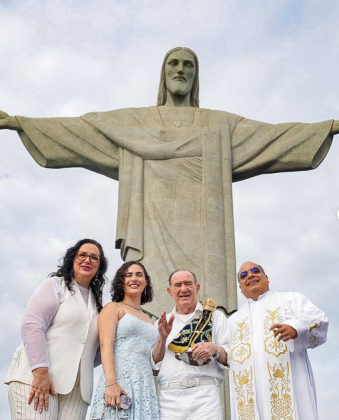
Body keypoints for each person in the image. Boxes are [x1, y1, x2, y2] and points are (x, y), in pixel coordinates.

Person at [1, 47, 339, 315]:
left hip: (205, 234)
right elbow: (83, 130)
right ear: (163, 74)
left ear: (196, 77)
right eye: (174, 64)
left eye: (188, 65)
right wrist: (21, 123)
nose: (181, 70)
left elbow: (274, 137)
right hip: (150, 229)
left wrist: (327, 128)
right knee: (149, 304)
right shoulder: (136, 123)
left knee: (207, 311)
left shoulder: (218, 126)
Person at [5, 238, 108, 420]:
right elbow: (32, 325)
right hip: (37, 377)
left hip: (77, 391)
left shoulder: (99, 306)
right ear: (72, 259)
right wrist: (41, 372)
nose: (87, 260)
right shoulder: (54, 285)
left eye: (94, 258)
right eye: (82, 255)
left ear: (100, 266)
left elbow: (95, 351)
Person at [227, 261, 328, 420]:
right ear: (240, 288)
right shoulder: (233, 321)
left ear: (266, 277)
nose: (250, 275)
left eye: (255, 271)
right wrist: (215, 351)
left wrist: (296, 328)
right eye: (244, 275)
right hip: (252, 400)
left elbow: (320, 320)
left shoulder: (291, 299)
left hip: (293, 388)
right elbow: (228, 354)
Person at [151, 269, 229, 420]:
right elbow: (154, 363)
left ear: (197, 288)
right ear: (170, 291)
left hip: (205, 398)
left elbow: (230, 358)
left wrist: (215, 349)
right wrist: (162, 338)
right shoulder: (161, 323)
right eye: (177, 285)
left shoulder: (215, 317)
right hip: (169, 399)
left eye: (188, 284)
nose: (183, 289)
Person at [91, 261, 159, 420]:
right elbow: (105, 345)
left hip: (145, 384)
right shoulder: (114, 308)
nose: (134, 279)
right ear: (121, 281)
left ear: (146, 282)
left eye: (139, 275)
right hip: (120, 379)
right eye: (128, 275)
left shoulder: (150, 320)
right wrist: (111, 383)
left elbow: (153, 358)